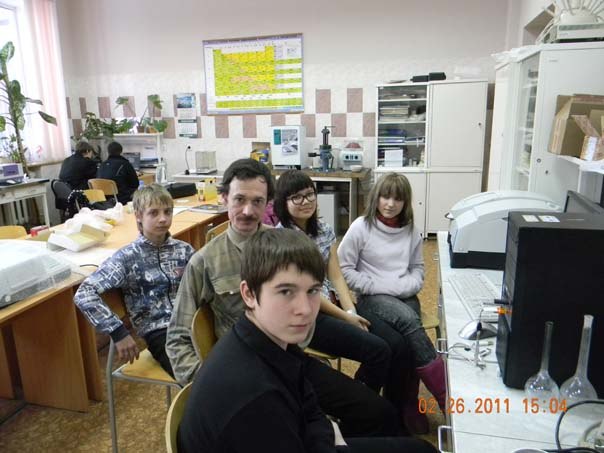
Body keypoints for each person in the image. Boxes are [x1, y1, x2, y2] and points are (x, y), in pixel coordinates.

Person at [167, 158, 401, 437]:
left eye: (257, 201)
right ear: (224, 198)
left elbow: (314, 293)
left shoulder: (286, 246)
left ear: (268, 203)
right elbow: (177, 337)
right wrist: (209, 388)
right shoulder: (204, 262)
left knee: (378, 412)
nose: (247, 211)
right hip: (246, 376)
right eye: (239, 199)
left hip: (292, 360)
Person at [177, 228, 436, 453]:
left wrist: (325, 432)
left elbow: (307, 399)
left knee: (414, 443)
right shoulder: (256, 397)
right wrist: (331, 439)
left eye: (312, 291)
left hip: (301, 437)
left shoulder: (270, 340)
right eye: (286, 291)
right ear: (249, 294)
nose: (305, 309)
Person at [274, 170, 417, 425]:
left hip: (335, 304)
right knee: (379, 351)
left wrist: (351, 311)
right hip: (309, 316)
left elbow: (336, 275)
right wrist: (346, 317)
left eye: (309, 194)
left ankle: (388, 410)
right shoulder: (282, 238)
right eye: (296, 197)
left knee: (396, 343)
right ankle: (360, 412)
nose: (305, 201)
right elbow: (307, 292)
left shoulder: (323, 229)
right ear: (283, 203)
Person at [337, 172, 447, 426]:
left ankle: (405, 402)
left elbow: (418, 269)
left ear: (405, 202)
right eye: (385, 196)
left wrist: (405, 287)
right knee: (410, 321)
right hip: (371, 296)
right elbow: (344, 268)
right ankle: (445, 399)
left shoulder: (411, 231)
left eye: (397, 199)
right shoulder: (361, 227)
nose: (390, 203)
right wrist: (375, 285)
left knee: (409, 340)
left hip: (405, 294)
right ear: (376, 197)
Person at [74, 184, 194, 376]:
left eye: (167, 212)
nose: (163, 219)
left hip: (192, 321)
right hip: (161, 332)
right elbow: (84, 293)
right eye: (153, 213)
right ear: (138, 216)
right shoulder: (127, 257)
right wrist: (118, 332)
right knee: (198, 378)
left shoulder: (184, 250)